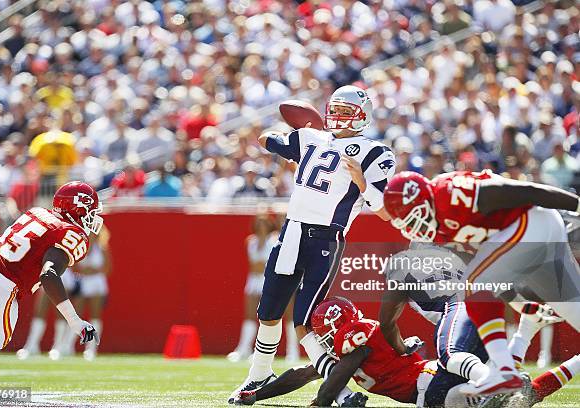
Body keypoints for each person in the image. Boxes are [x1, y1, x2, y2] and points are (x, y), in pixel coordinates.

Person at [229, 85, 396, 405]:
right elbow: (266, 139)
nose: (339, 118)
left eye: (347, 112)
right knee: (268, 311)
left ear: (363, 117)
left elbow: (385, 211)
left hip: (326, 237)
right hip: (290, 232)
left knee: (305, 321)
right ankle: (257, 374)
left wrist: (361, 181)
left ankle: (341, 393)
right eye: (336, 110)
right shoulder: (312, 137)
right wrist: (304, 127)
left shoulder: (375, 152)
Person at [383, 170, 580, 395]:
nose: (416, 227)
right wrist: (517, 302)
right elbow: (487, 267)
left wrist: (577, 205)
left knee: (472, 282)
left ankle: (504, 371)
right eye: (408, 224)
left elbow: (525, 191)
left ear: (425, 199)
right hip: (530, 236)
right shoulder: (440, 230)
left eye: (416, 216)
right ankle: (504, 369)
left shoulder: (450, 192)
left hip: (533, 222)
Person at [235, 297, 579, 408]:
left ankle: (518, 345)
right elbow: (305, 373)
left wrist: (321, 403)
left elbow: (331, 381)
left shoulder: (356, 340)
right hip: (431, 386)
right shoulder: (350, 342)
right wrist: (258, 395)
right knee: (520, 398)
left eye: (325, 334)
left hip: (434, 384)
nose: (323, 342)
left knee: (493, 397)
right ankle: (527, 333)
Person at [0, 181, 101, 372]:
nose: (92, 217)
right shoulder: (72, 234)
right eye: (90, 211)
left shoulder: (38, 212)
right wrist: (75, 321)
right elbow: (49, 274)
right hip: (0, 287)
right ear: (77, 210)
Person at [227, 215, 300, 363]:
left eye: (265, 221)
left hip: (275, 280)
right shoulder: (250, 241)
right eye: (259, 222)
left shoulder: (276, 239)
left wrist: (283, 221)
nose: (261, 224)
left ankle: (293, 352)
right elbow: (256, 265)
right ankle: (244, 349)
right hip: (254, 281)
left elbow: (265, 263)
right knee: (251, 315)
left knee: (286, 316)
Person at [71, 227, 112, 360]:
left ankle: (91, 348)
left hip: (97, 284)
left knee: (95, 315)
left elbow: (108, 269)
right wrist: (83, 271)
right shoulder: (81, 247)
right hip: (82, 283)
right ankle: (66, 345)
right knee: (76, 314)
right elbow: (73, 265)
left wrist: (93, 271)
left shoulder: (103, 248)